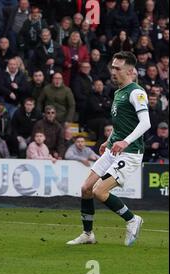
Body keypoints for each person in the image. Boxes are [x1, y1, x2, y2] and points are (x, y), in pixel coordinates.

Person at [67, 51, 151, 247]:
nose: (113, 71)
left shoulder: (136, 92)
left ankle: (132, 219)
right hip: (113, 150)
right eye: (112, 67)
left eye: (117, 68)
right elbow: (121, 123)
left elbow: (145, 123)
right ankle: (88, 234)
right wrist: (111, 139)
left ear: (130, 71)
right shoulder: (118, 92)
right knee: (86, 188)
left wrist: (125, 142)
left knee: (99, 191)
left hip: (129, 153)